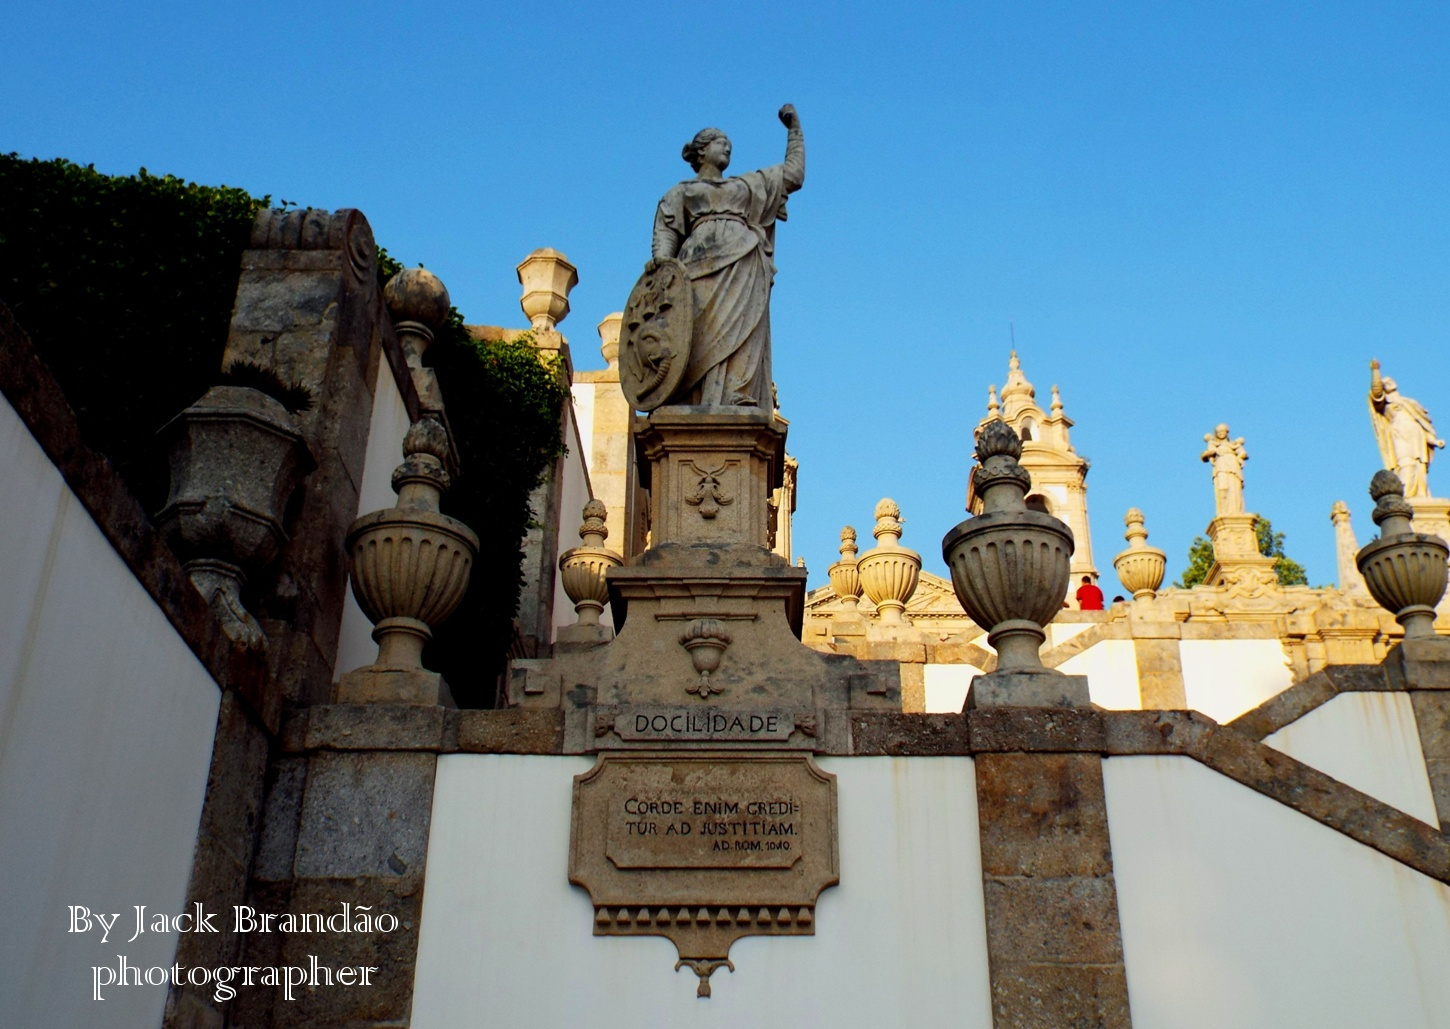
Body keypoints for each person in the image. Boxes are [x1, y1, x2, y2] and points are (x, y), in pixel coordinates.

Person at [647, 105, 805, 407]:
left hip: (745, 266)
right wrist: (663, 266)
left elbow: (794, 175)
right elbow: (666, 230)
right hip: (697, 268)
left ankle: (736, 394)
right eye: (721, 142)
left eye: (729, 145)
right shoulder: (683, 191)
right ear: (702, 151)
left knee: (741, 333)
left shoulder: (746, 186)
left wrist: (794, 130)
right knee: (697, 335)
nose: (728, 147)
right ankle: (693, 396)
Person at [1369, 360, 1444, 498]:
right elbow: (1376, 392)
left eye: (1389, 380)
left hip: (1416, 437)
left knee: (1419, 467)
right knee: (1406, 465)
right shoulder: (1386, 405)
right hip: (1399, 435)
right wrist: (1376, 371)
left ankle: (1421, 495)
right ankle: (1404, 496)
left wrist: (1434, 441)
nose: (1388, 382)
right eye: (1384, 382)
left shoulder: (1409, 403)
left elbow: (1422, 425)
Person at [1201, 424, 1247, 516]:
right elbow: (1204, 456)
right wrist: (1210, 453)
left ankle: (1236, 511)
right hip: (1220, 465)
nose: (1221, 433)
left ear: (1227, 432)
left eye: (1223, 431)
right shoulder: (1213, 444)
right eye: (1218, 432)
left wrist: (1240, 457)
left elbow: (1243, 453)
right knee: (1223, 488)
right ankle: (1223, 511)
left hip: (1233, 465)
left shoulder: (1233, 444)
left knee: (1234, 488)